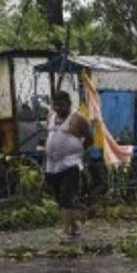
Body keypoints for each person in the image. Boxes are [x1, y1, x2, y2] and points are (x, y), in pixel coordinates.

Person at [44, 90, 91, 241]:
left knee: (66, 196)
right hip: (52, 165)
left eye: (61, 105)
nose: (58, 108)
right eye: (55, 105)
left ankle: (66, 232)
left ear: (69, 104)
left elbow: (90, 139)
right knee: (60, 198)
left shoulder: (78, 119)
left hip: (71, 164)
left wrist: (77, 150)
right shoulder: (51, 117)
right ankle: (74, 228)